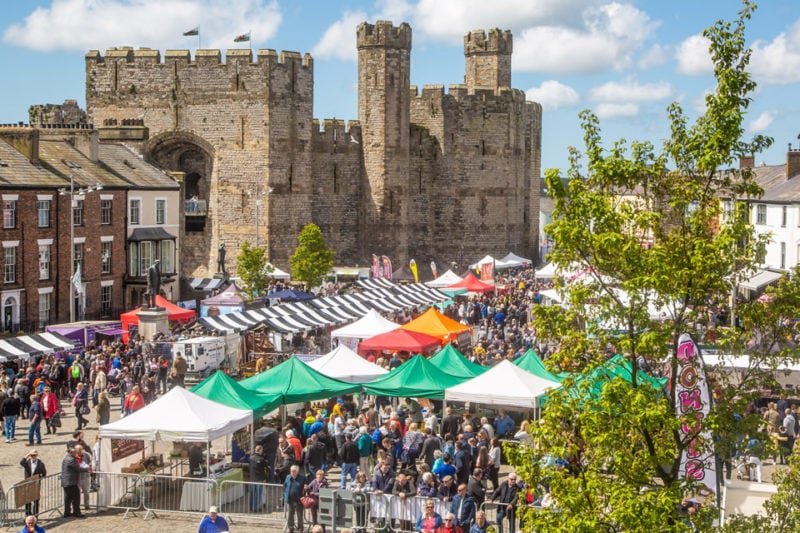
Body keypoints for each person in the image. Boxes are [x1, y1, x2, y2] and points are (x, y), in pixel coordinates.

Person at [61, 446, 89, 518]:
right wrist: (87, 469)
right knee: (76, 497)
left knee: (67, 498)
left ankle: (67, 512)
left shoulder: (65, 458)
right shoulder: (71, 460)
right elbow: (78, 469)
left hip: (66, 481)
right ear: (72, 453)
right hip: (71, 481)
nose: (76, 453)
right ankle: (76, 512)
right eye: (75, 452)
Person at [20, 450, 46, 516]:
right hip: (27, 483)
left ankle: (35, 515)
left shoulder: (40, 463)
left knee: (36, 500)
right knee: (27, 500)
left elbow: (44, 473)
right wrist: (27, 455)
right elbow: (21, 462)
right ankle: (28, 514)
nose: (33, 457)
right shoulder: (27, 462)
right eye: (31, 455)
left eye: (34, 455)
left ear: (36, 456)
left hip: (36, 484)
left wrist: (39, 478)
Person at [284, 465, 305, 533]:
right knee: (290, 514)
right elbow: (285, 486)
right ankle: (290, 528)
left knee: (299, 515)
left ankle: (300, 529)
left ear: (297, 471)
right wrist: (284, 495)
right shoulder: (288, 477)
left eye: (294, 471)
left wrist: (305, 489)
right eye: (291, 471)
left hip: (299, 500)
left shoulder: (302, 478)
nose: (292, 472)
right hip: (290, 499)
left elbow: (306, 487)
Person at [249, 445, 268, 512]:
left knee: (252, 493)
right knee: (258, 494)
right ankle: (255, 508)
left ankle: (251, 507)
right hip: (259, 478)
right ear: (260, 450)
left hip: (252, 478)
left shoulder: (251, 458)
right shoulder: (261, 459)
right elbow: (266, 468)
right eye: (262, 450)